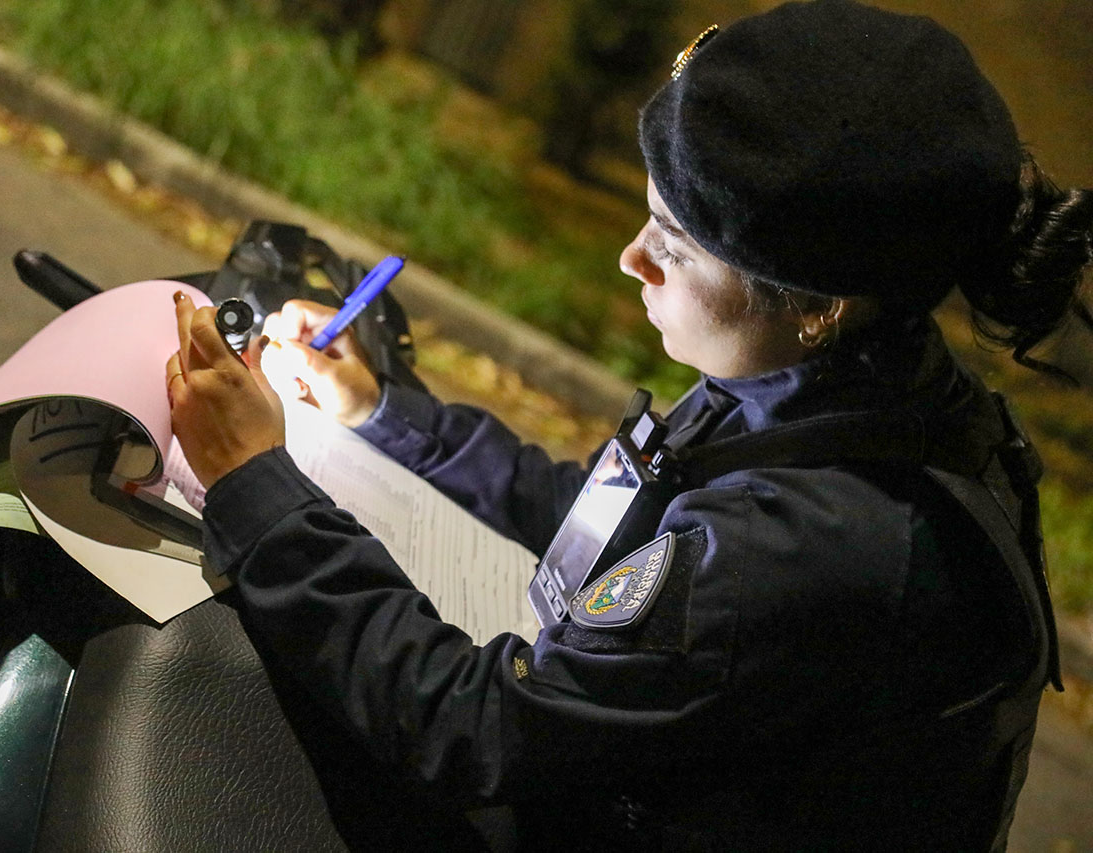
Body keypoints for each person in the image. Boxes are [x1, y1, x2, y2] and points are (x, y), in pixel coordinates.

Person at [164, 1, 1092, 848]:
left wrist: (258, 489)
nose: (630, 258)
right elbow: (613, 535)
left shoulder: (803, 537)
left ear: (818, 304)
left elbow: (473, 732)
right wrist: (383, 415)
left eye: (674, 245)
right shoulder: (844, 386)